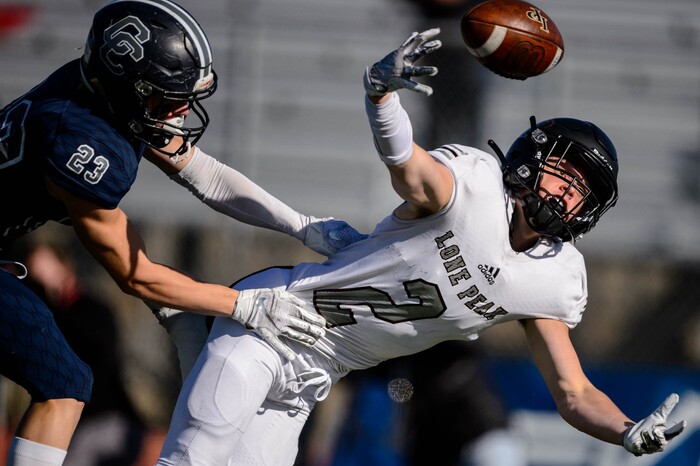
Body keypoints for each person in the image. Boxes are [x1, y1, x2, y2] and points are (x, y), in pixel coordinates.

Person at [155, 29, 687, 465]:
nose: (570, 193)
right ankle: (193, 329)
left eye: (584, 191)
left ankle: (188, 335)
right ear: (531, 159)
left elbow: (573, 393)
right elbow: (409, 168)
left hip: (313, 378)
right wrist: (381, 98)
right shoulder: (474, 187)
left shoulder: (556, 279)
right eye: (565, 174)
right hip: (266, 327)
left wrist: (624, 430)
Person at [0, 0, 363, 464]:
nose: (181, 109)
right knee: (63, 384)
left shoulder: (102, 93)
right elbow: (136, 275)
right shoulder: (79, 140)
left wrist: (302, 225)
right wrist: (244, 304)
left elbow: (203, 174)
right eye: (167, 96)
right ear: (128, 86)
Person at [17, 238, 147, 466]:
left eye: (45, 271)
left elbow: (98, 352)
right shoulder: (41, 316)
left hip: (108, 420)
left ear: (65, 267)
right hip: (78, 423)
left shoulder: (90, 309)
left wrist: (53, 299)